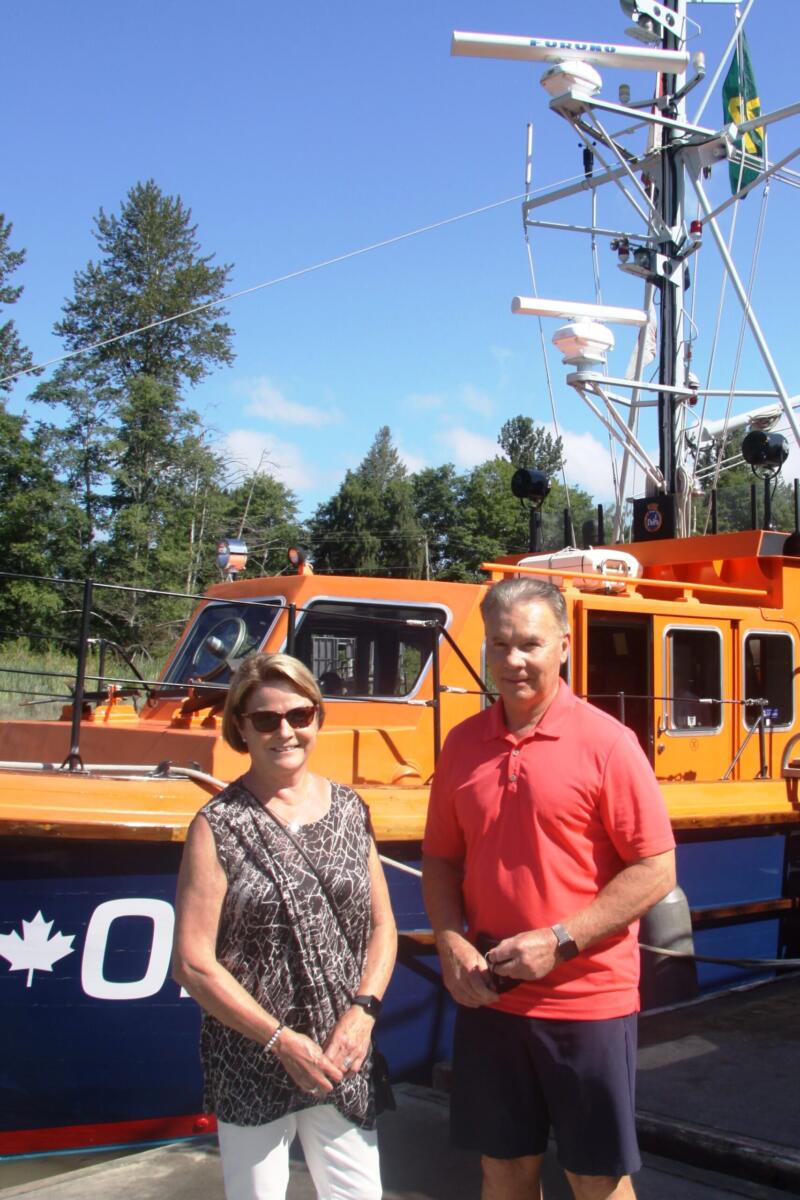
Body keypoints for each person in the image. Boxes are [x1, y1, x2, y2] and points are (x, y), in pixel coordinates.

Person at [422, 578, 676, 1200]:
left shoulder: (608, 744)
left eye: (530, 644)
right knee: (503, 1169)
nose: (513, 660)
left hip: (586, 1003)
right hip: (491, 1000)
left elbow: (656, 868)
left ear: (563, 645)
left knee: (596, 1177)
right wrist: (451, 943)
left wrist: (560, 939)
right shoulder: (461, 745)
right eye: (499, 644)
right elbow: (440, 861)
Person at [173, 652, 397, 1200]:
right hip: (252, 1058)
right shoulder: (217, 825)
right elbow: (192, 964)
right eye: (266, 719)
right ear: (241, 727)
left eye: (299, 715)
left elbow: (382, 926)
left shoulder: (350, 809)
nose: (285, 731)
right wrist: (279, 1041)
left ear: (317, 716)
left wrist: (363, 1013)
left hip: (341, 1056)